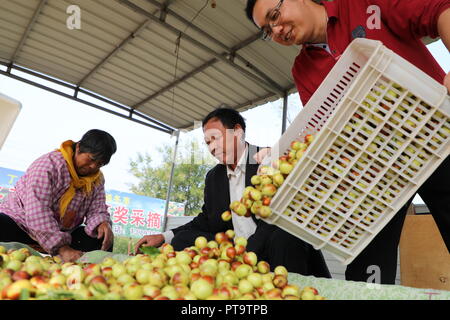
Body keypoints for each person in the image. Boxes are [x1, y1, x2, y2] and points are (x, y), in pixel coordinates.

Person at [245, 0, 450, 284]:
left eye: (275, 15)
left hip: (438, 136)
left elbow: (439, 10)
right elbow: (324, 133)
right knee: (367, 273)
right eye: (268, 30)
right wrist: (284, 159)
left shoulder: (361, 4)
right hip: (376, 175)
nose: (277, 30)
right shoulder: (303, 69)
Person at [135, 108, 331, 278]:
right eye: (207, 142)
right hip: (234, 250)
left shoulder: (269, 159)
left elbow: (282, 214)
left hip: (271, 249)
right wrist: (164, 236)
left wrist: (248, 251)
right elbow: (206, 220)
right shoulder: (214, 177)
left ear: (238, 132)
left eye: (216, 138)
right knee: (183, 239)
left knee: (284, 235)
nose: (212, 147)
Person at [0, 129, 117, 262]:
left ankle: (93, 275)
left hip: (63, 233)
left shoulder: (97, 179)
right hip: (21, 224)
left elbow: (97, 209)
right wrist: (63, 249)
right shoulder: (48, 165)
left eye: (100, 164)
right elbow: (37, 211)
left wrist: (101, 223)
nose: (93, 166)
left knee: (102, 236)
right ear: (78, 147)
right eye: (91, 159)